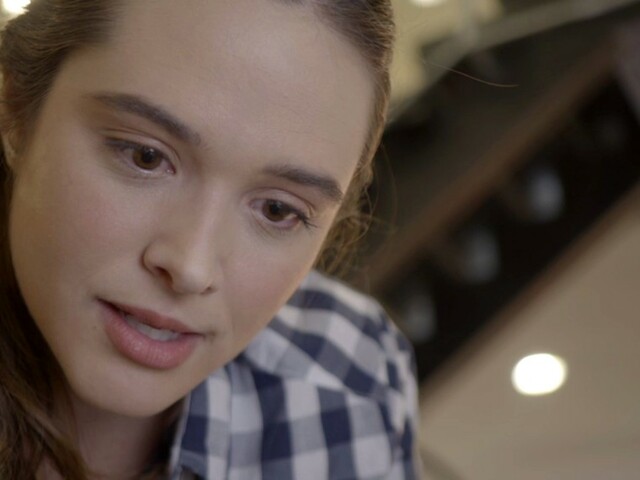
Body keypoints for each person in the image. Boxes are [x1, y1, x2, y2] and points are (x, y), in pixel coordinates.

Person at [0, 0, 420, 478]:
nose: (191, 268)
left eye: (278, 210)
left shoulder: (354, 383)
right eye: (145, 157)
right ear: (16, 111)